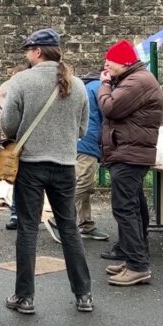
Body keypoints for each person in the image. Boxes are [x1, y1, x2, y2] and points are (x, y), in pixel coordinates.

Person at [0, 28, 93, 314]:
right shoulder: (77, 85)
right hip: (65, 165)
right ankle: (84, 295)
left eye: (28, 49)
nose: (26, 54)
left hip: (30, 165)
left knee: (28, 228)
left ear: (38, 52)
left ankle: (24, 297)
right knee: (69, 228)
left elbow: (9, 127)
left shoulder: (21, 81)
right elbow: (82, 129)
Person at [97, 39, 163, 287]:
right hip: (129, 152)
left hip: (129, 153)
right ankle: (136, 257)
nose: (105, 67)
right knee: (134, 207)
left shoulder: (137, 81)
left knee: (125, 208)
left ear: (124, 62)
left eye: (109, 63)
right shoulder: (136, 79)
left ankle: (137, 265)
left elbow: (110, 108)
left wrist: (104, 85)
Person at [43, 71, 110, 242]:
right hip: (88, 142)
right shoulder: (100, 87)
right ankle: (58, 218)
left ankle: (85, 224)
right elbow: (109, 115)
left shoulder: (85, 85)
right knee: (84, 183)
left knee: (82, 183)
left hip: (77, 140)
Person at [0, 61, 30, 231]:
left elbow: (9, 124)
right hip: (18, 144)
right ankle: (17, 214)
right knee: (18, 180)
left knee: (23, 181)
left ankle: (19, 215)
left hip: (25, 144)